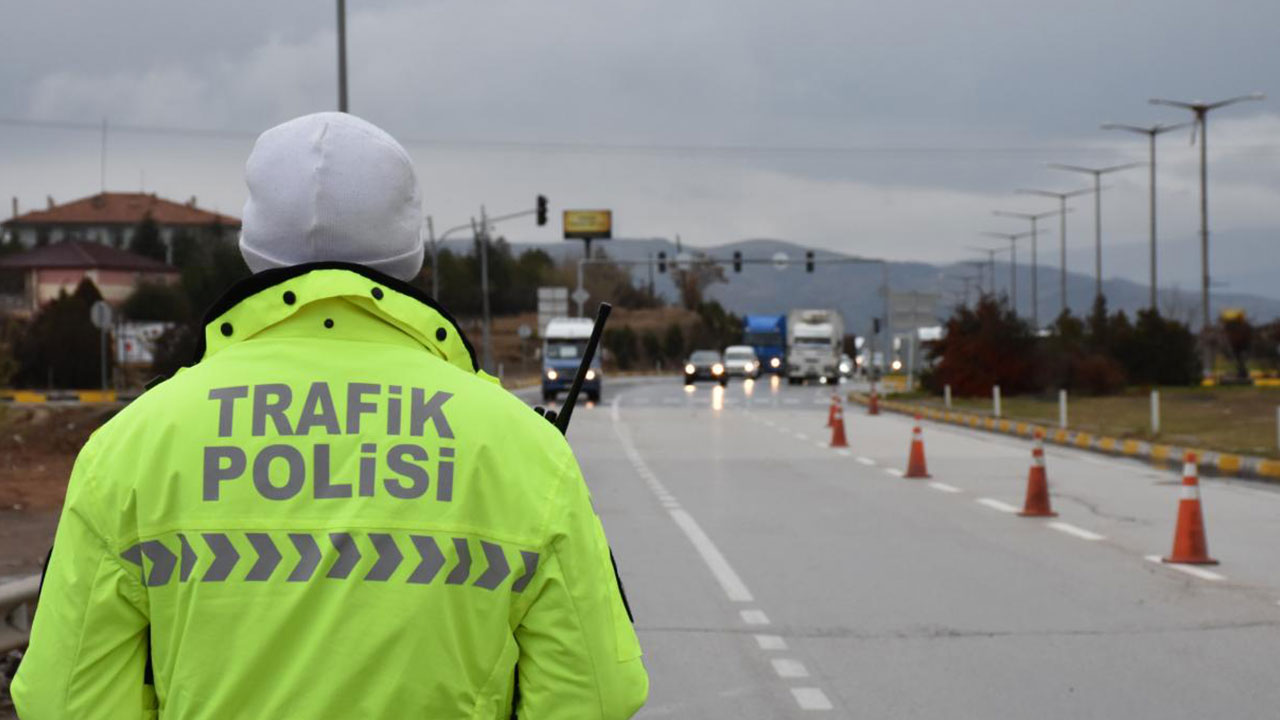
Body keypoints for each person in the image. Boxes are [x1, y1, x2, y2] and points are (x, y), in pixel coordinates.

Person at [12, 112, 648, 719]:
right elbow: (597, 691)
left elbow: (64, 700)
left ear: (251, 247)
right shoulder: (524, 450)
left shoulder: (130, 448)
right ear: (413, 253)